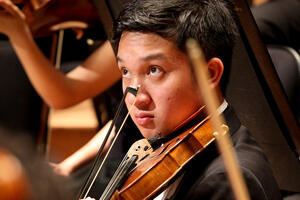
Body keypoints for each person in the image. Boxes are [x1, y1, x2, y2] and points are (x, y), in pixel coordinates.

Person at [94, 0, 281, 199]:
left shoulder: (228, 180)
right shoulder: (161, 144)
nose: (136, 97)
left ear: (209, 74)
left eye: (154, 70)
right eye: (125, 71)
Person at [0, 0, 142, 196]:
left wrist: (18, 33)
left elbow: (64, 94)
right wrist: (66, 166)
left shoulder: (137, 36)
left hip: (131, 159)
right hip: (118, 149)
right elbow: (122, 123)